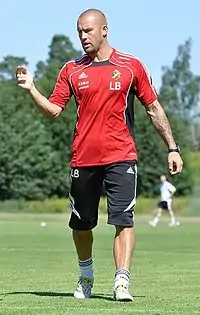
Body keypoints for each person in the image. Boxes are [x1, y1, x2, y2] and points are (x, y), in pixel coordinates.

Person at [16, 8, 183, 302]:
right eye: (79, 31)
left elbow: (153, 109)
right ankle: (86, 275)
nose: (83, 36)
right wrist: (31, 89)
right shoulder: (71, 69)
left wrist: (172, 147)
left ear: (104, 30)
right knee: (81, 224)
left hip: (121, 155)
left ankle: (122, 282)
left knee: (124, 220)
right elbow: (53, 111)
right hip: (83, 158)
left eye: (88, 31)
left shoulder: (131, 66)